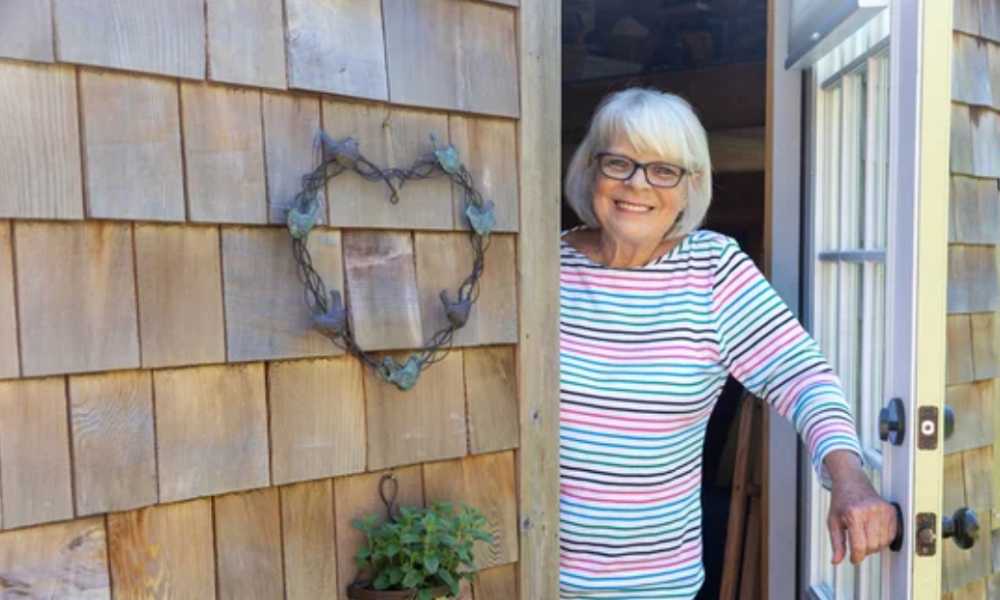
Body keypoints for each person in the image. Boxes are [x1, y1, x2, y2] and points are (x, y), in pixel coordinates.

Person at [558, 87, 897, 598]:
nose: (637, 184)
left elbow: (802, 377)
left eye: (663, 169)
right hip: (530, 574)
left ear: (689, 187)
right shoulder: (546, 264)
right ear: (590, 170)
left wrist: (848, 477)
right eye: (619, 163)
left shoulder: (711, 270)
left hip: (655, 586)